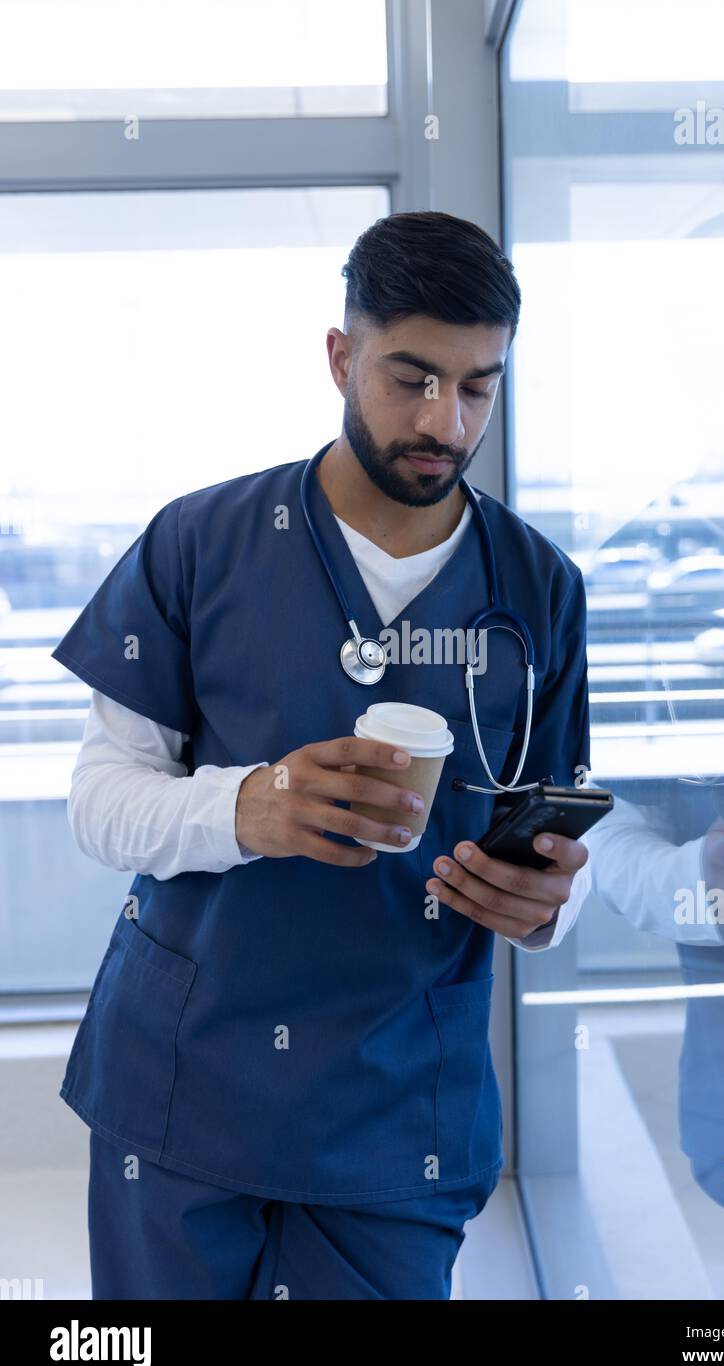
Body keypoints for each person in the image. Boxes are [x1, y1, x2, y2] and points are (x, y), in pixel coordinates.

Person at [53, 211, 593, 1300]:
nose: (445, 419)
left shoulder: (538, 589)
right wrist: (245, 808)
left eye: (478, 386)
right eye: (412, 377)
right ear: (341, 357)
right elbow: (98, 801)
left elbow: (557, 838)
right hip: (183, 1082)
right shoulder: (200, 543)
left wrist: (549, 905)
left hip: (395, 1116)